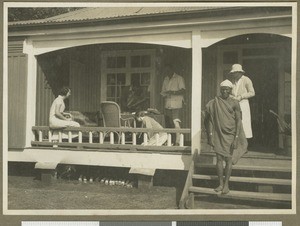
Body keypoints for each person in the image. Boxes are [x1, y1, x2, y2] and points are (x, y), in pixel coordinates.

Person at [204, 80, 248, 194]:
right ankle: (220, 183)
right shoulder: (214, 102)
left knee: (228, 159)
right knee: (219, 159)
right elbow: (208, 120)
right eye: (222, 89)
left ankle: (226, 185)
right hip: (218, 134)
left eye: (226, 89)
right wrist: (210, 135)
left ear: (230, 90)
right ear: (220, 89)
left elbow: (239, 121)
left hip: (231, 134)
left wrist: (237, 137)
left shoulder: (234, 103)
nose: (224, 91)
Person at [160, 64, 185, 145]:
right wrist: (164, 94)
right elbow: (163, 91)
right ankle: (170, 141)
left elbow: (183, 90)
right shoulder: (166, 79)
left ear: (172, 70)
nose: (167, 72)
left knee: (175, 122)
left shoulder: (179, 78)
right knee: (168, 123)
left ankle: (178, 142)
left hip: (176, 104)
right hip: (167, 103)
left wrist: (172, 92)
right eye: (166, 70)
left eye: (168, 70)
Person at [228, 64, 255, 139]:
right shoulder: (233, 81)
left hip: (243, 103)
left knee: (243, 122)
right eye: (232, 73)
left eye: (234, 73)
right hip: (234, 103)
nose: (233, 74)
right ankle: (236, 141)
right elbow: (230, 92)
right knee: (235, 121)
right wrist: (232, 97)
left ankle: (244, 142)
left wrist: (241, 96)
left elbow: (252, 92)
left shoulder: (246, 80)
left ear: (239, 72)